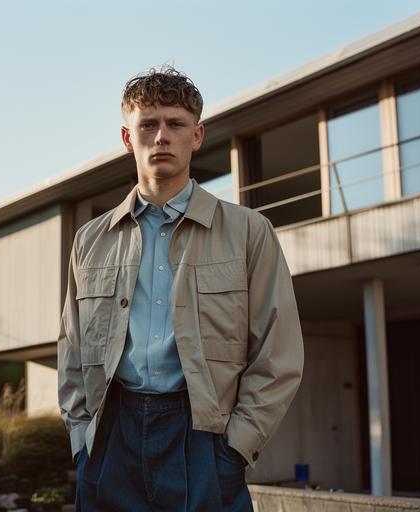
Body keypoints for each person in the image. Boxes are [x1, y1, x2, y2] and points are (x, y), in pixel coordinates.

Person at [57, 66, 304, 512]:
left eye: (176, 124)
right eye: (148, 125)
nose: (162, 137)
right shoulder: (89, 241)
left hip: (205, 441)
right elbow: (71, 348)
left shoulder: (250, 232)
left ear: (197, 135)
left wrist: (234, 450)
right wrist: (82, 440)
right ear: (127, 138)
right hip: (112, 438)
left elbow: (278, 354)